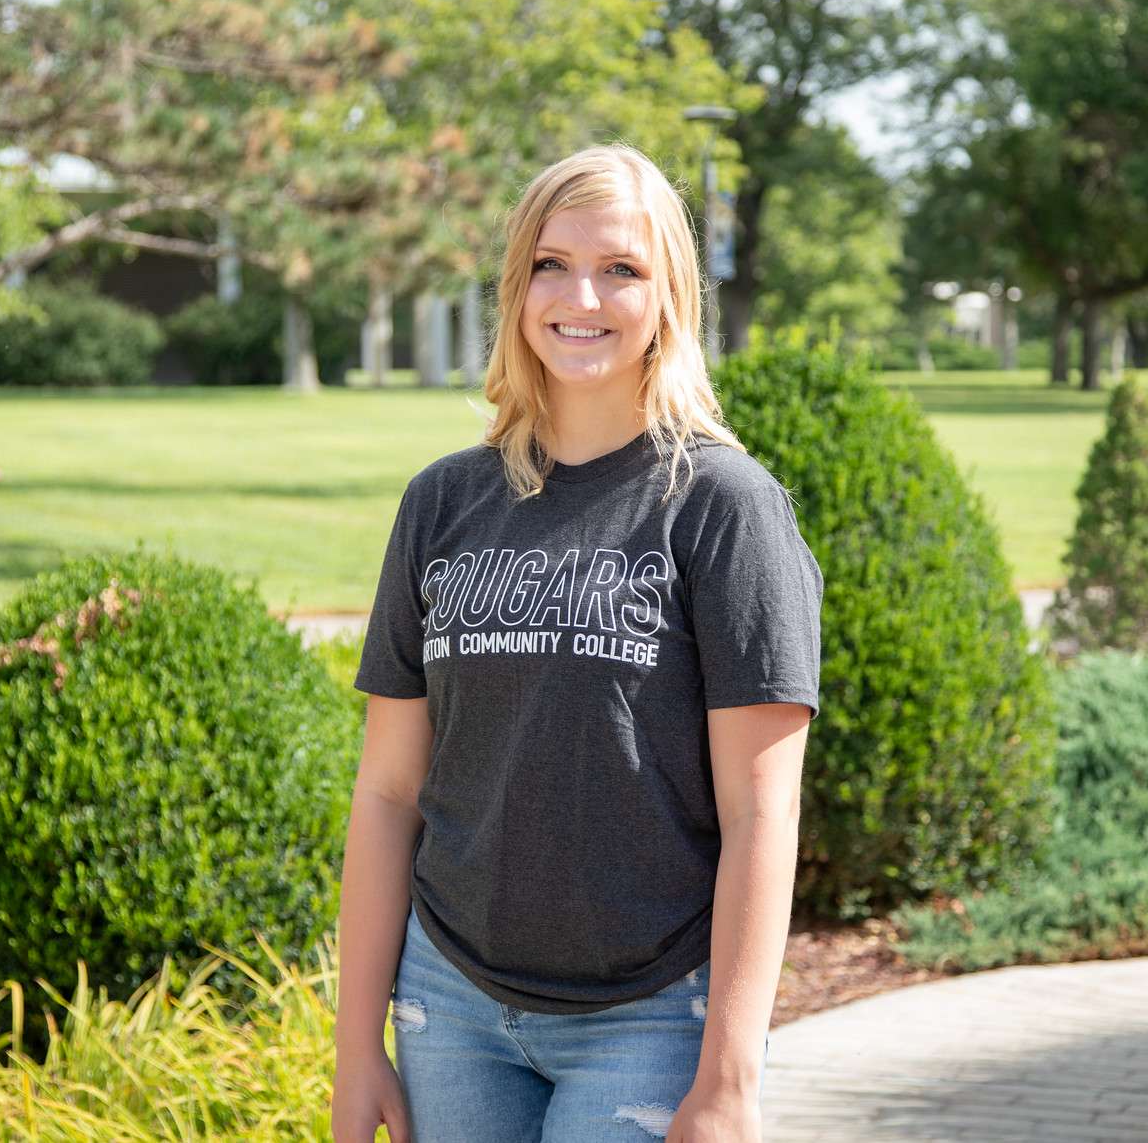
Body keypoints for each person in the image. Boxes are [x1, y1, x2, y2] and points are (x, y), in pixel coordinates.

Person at [330, 143, 824, 1143]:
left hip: (646, 1016)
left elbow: (761, 811)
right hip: (449, 1001)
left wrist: (728, 1082)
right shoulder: (441, 503)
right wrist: (354, 1050)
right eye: (550, 265)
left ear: (668, 296)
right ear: (517, 289)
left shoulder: (723, 509)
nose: (580, 296)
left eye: (620, 269)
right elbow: (387, 792)